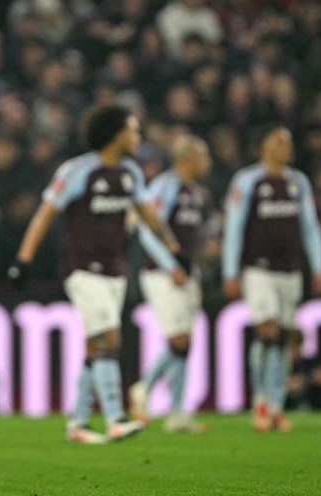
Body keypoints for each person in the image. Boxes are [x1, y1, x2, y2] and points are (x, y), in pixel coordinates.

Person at [8, 103, 188, 444]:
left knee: (95, 347)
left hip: (114, 271)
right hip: (82, 270)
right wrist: (24, 259)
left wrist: (176, 251)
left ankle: (76, 423)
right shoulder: (77, 171)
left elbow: (149, 215)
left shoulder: (130, 173)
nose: (138, 137)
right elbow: (45, 214)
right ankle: (115, 418)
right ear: (117, 134)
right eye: (133, 131)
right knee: (110, 339)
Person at [222, 126, 321, 433]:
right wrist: (231, 271)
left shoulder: (299, 182)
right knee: (266, 331)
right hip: (258, 268)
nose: (286, 147)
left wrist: (319, 266)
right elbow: (234, 228)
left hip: (290, 269)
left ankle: (277, 405)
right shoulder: (247, 181)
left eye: (288, 142)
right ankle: (261, 400)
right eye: (279, 142)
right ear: (264, 147)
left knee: (283, 337)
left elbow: (310, 227)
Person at [129, 135, 211, 433]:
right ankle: (144, 388)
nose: (208, 163)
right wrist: (170, 264)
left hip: (187, 273)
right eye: (204, 156)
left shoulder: (196, 192)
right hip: (162, 273)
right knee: (179, 340)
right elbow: (149, 232)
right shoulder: (166, 186)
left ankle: (177, 413)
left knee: (183, 344)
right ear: (188, 159)